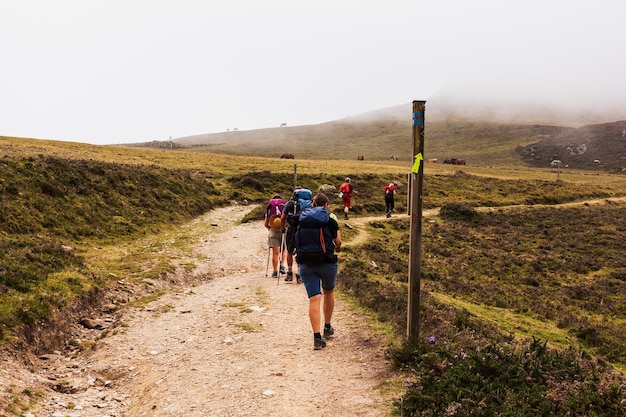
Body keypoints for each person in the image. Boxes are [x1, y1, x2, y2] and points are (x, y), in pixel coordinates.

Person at [295, 193, 342, 350]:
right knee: (328, 292)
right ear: (326, 205)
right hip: (327, 262)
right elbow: (338, 242)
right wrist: (337, 248)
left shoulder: (303, 218)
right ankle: (327, 327)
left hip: (307, 263)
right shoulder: (331, 217)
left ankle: (317, 337)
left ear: (313, 204)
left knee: (314, 299)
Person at [280, 187, 312, 284]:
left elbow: (282, 217)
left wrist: (283, 227)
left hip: (291, 229)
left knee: (289, 251)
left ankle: (289, 273)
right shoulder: (309, 203)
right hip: (303, 229)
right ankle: (299, 275)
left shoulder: (290, 203)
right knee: (300, 251)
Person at [264, 194, 286, 278]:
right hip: (283, 231)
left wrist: (270, 227)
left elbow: (265, 224)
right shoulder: (284, 207)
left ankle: (275, 271)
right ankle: (282, 265)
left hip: (273, 232)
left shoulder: (269, 209)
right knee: (283, 250)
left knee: (275, 253)